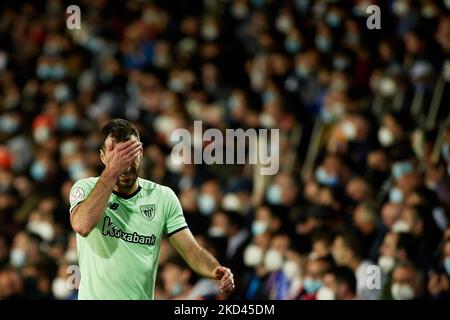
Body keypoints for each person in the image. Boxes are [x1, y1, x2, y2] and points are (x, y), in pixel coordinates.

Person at [69, 119, 234, 299]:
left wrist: (215, 269)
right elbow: (82, 225)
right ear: (102, 157)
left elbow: (191, 250)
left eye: (130, 154)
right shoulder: (85, 188)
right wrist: (111, 172)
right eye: (117, 156)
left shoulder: (163, 197)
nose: (126, 164)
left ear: (141, 152)